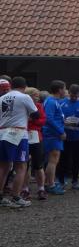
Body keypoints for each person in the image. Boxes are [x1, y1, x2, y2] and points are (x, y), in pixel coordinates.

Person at [0, 77, 38, 208]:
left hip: (2, 133)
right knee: (21, 166)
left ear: (11, 85)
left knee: (3, 166)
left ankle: (0, 197)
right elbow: (36, 115)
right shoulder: (24, 97)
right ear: (25, 86)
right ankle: (16, 197)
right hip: (18, 133)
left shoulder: (1, 98)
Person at [22, 87, 47, 201]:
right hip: (24, 136)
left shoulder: (39, 106)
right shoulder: (22, 106)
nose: (38, 98)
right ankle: (25, 189)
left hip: (36, 137)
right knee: (24, 165)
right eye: (35, 96)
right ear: (29, 96)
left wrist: (33, 120)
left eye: (38, 96)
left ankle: (41, 189)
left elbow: (43, 120)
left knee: (38, 165)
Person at [42, 80, 66, 196]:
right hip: (53, 135)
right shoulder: (51, 101)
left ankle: (48, 182)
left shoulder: (53, 101)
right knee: (53, 160)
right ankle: (50, 185)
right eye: (64, 88)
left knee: (53, 160)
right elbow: (49, 119)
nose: (65, 91)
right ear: (60, 90)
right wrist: (61, 131)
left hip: (53, 134)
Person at [58, 84, 79, 190]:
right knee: (63, 159)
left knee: (76, 159)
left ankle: (75, 181)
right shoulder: (62, 103)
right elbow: (58, 117)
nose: (73, 98)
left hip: (78, 136)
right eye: (72, 96)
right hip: (65, 136)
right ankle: (61, 180)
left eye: (75, 96)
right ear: (68, 93)